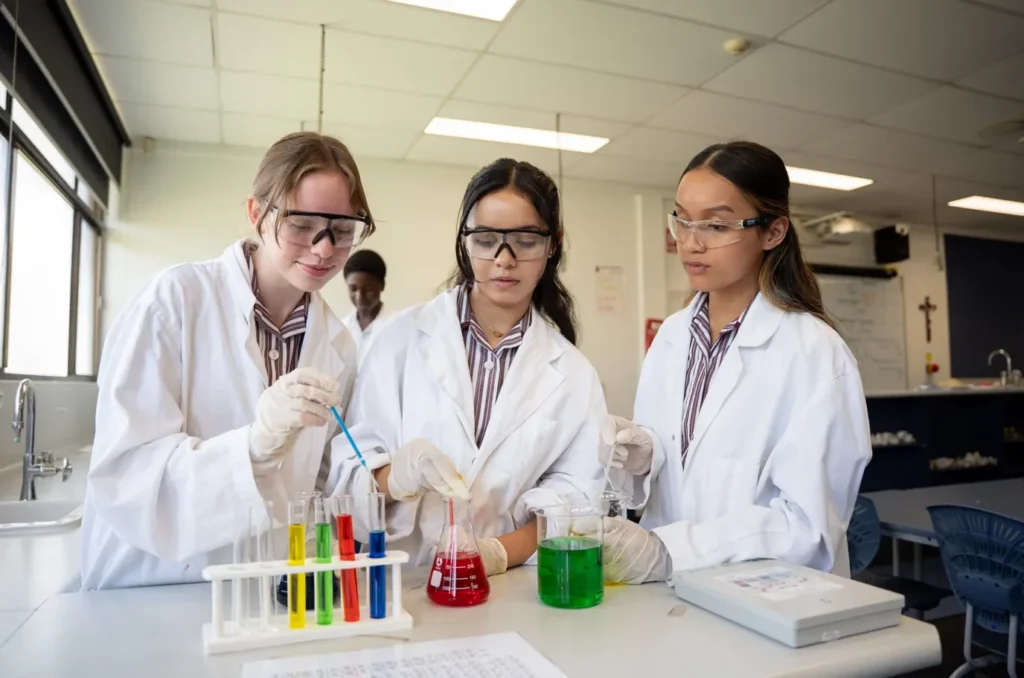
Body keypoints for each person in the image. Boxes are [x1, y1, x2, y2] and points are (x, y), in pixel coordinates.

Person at [81, 132, 375, 589]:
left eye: (342, 230)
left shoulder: (338, 345)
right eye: (301, 225)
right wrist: (252, 446)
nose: (323, 249)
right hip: (153, 584)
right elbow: (126, 476)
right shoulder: (175, 301)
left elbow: (319, 483)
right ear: (257, 214)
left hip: (262, 591)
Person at [599, 141, 871, 584]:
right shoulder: (671, 336)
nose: (691, 242)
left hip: (765, 598)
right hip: (666, 595)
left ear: (773, 232)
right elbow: (687, 466)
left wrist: (672, 550)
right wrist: (644, 457)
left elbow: (806, 526)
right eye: (682, 220)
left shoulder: (816, 353)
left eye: (716, 225)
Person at [328, 158, 605, 574]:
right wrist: (395, 477)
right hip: (401, 581)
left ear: (553, 244)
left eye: (526, 240)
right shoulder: (401, 340)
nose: (504, 259)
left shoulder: (574, 374)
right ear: (465, 241)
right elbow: (346, 474)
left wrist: (492, 554)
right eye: (486, 239)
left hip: (507, 585)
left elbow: (576, 500)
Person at [341, 249, 391, 365]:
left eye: (368, 289)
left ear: (382, 285)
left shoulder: (397, 325)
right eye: (353, 289)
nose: (359, 297)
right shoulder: (342, 329)